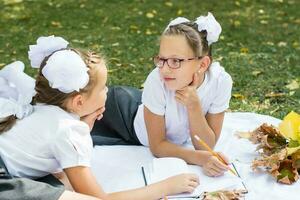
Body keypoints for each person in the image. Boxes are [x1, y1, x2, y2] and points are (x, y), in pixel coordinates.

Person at [0, 36, 198, 200]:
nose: (106, 91)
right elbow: (98, 199)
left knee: (62, 183)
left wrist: (83, 128)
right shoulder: (69, 130)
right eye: (103, 87)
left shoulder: (44, 107)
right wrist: (166, 187)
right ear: (79, 102)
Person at [92, 13, 233, 177]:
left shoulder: (220, 82)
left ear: (202, 64)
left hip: (147, 107)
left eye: (175, 61)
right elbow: (158, 146)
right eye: (161, 59)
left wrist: (193, 105)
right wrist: (201, 159)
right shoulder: (156, 80)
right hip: (122, 118)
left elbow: (206, 145)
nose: (164, 69)